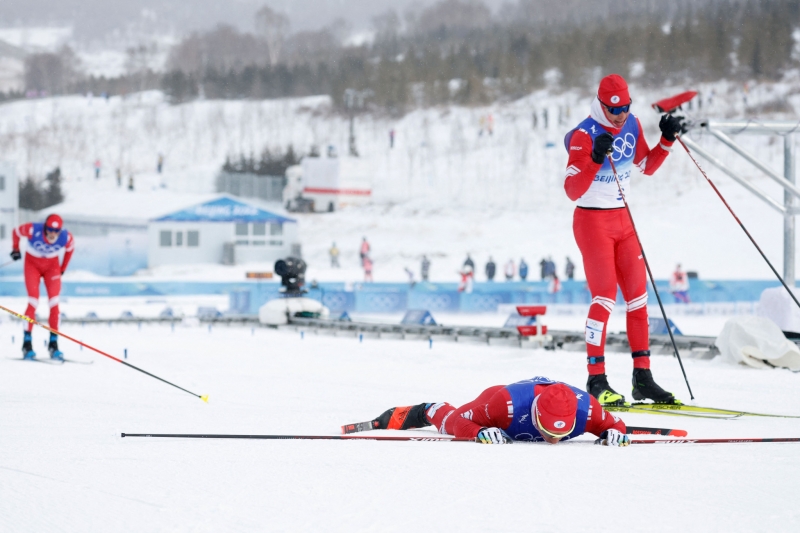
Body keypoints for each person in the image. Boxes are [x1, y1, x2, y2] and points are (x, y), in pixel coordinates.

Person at [563, 73, 684, 405]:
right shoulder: (583, 135)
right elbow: (572, 190)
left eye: (625, 107)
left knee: (638, 298)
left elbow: (645, 166)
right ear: (602, 104)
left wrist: (666, 141)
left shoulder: (631, 124)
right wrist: (594, 160)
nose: (620, 115)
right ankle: (596, 380)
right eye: (613, 109)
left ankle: (642, 379)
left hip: (624, 220)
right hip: (592, 221)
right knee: (604, 297)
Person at [364, 376, 630, 446]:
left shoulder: (589, 411)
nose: (554, 440)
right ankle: (427, 410)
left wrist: (615, 433)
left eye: (561, 433)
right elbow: (462, 426)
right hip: (498, 399)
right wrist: (479, 431)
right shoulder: (505, 405)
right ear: (536, 416)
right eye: (547, 431)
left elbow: (616, 424)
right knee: (448, 422)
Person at [10, 214, 74, 360]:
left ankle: (53, 344)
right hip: (32, 265)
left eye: (56, 231)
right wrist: (16, 249)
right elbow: (16, 232)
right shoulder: (33, 229)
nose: (52, 233)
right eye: (50, 229)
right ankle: (27, 344)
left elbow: (71, 249)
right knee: (33, 302)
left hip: (52, 267)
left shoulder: (66, 237)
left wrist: (63, 267)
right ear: (45, 227)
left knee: (54, 303)